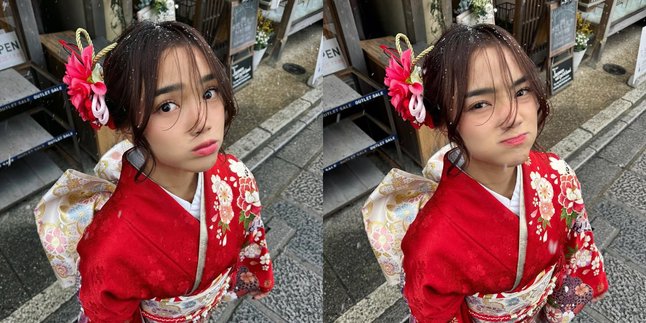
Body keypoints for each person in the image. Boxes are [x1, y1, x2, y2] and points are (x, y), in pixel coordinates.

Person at [363, 24, 608, 322]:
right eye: (480, 104)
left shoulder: (558, 174)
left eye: (521, 90)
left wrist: (555, 315)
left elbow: (577, 252)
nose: (513, 116)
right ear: (441, 121)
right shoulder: (432, 239)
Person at [34, 21, 273, 322]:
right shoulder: (111, 243)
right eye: (167, 106)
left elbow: (252, 236)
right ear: (123, 124)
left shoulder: (236, 175)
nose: (202, 121)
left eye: (209, 92)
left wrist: (256, 276)